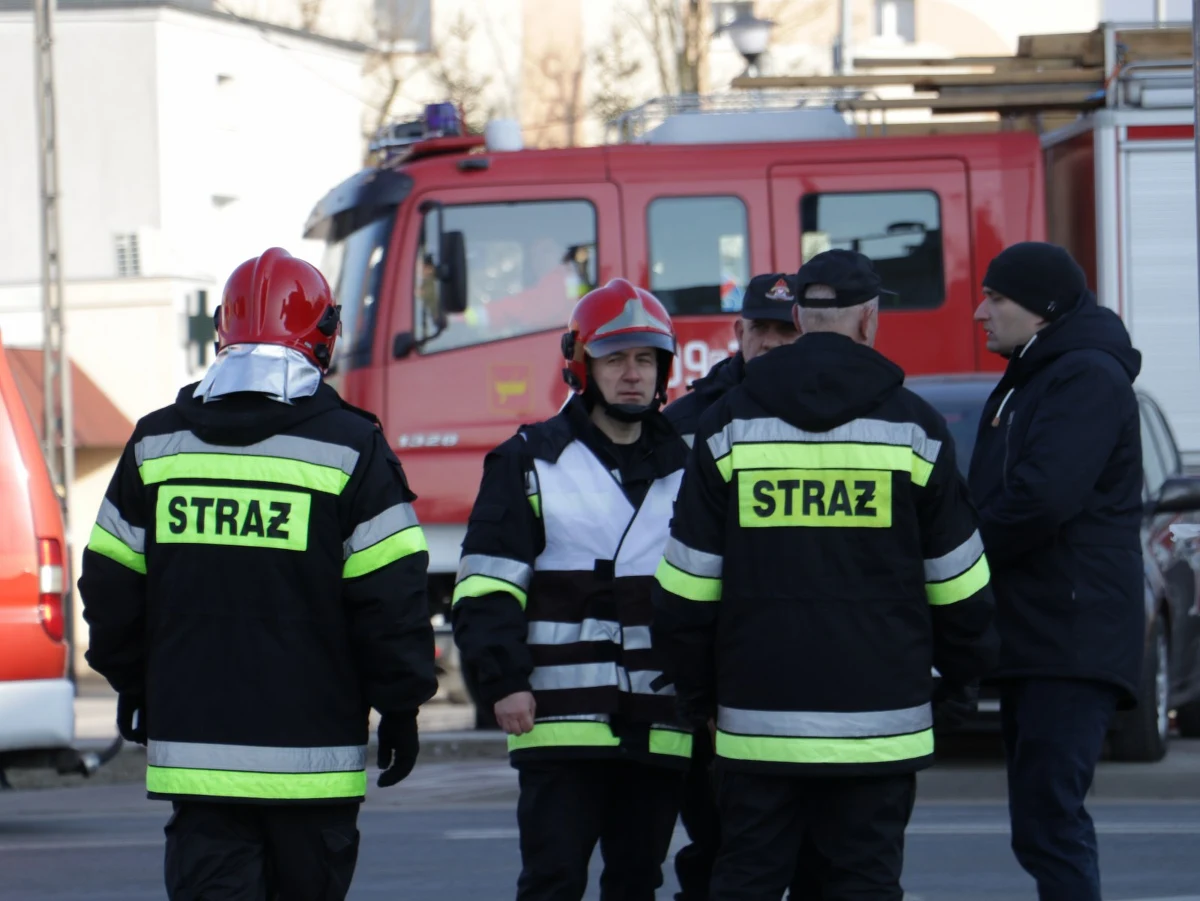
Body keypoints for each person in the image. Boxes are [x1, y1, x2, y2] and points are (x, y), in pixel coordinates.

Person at [77, 247, 438, 901]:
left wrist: (137, 681)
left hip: (198, 761)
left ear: (223, 328)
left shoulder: (156, 446)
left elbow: (108, 582)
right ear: (323, 337)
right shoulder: (351, 449)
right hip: (314, 764)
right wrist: (402, 703)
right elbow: (392, 597)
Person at [653, 249, 1000, 901]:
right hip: (880, 724)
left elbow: (687, 585)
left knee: (746, 880)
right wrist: (959, 680)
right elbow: (959, 583)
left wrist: (699, 696)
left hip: (757, 722)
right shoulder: (914, 429)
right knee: (862, 884)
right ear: (869, 321)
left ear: (799, 319)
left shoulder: (729, 427)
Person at [451, 277, 693, 901]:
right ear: (582, 366)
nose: (633, 374)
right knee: (553, 881)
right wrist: (503, 681)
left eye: (646, 359)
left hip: (658, 719)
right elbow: (485, 584)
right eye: (615, 359)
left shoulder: (691, 468)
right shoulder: (529, 460)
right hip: (558, 722)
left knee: (638, 881)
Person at [969, 241, 1143, 901]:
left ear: (1041, 310)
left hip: (1071, 636)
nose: (982, 312)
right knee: (1042, 822)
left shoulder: (1083, 376)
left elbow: (1042, 497)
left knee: (1049, 821)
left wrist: (959, 552)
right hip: (1043, 633)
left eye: (996, 298)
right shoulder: (1038, 373)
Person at [662, 272, 821, 901]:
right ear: (739, 333)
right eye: (763, 330)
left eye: (788, 330)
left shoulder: (835, 411)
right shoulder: (684, 424)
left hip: (805, 669)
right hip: (716, 670)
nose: (775, 344)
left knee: (809, 856)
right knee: (717, 850)